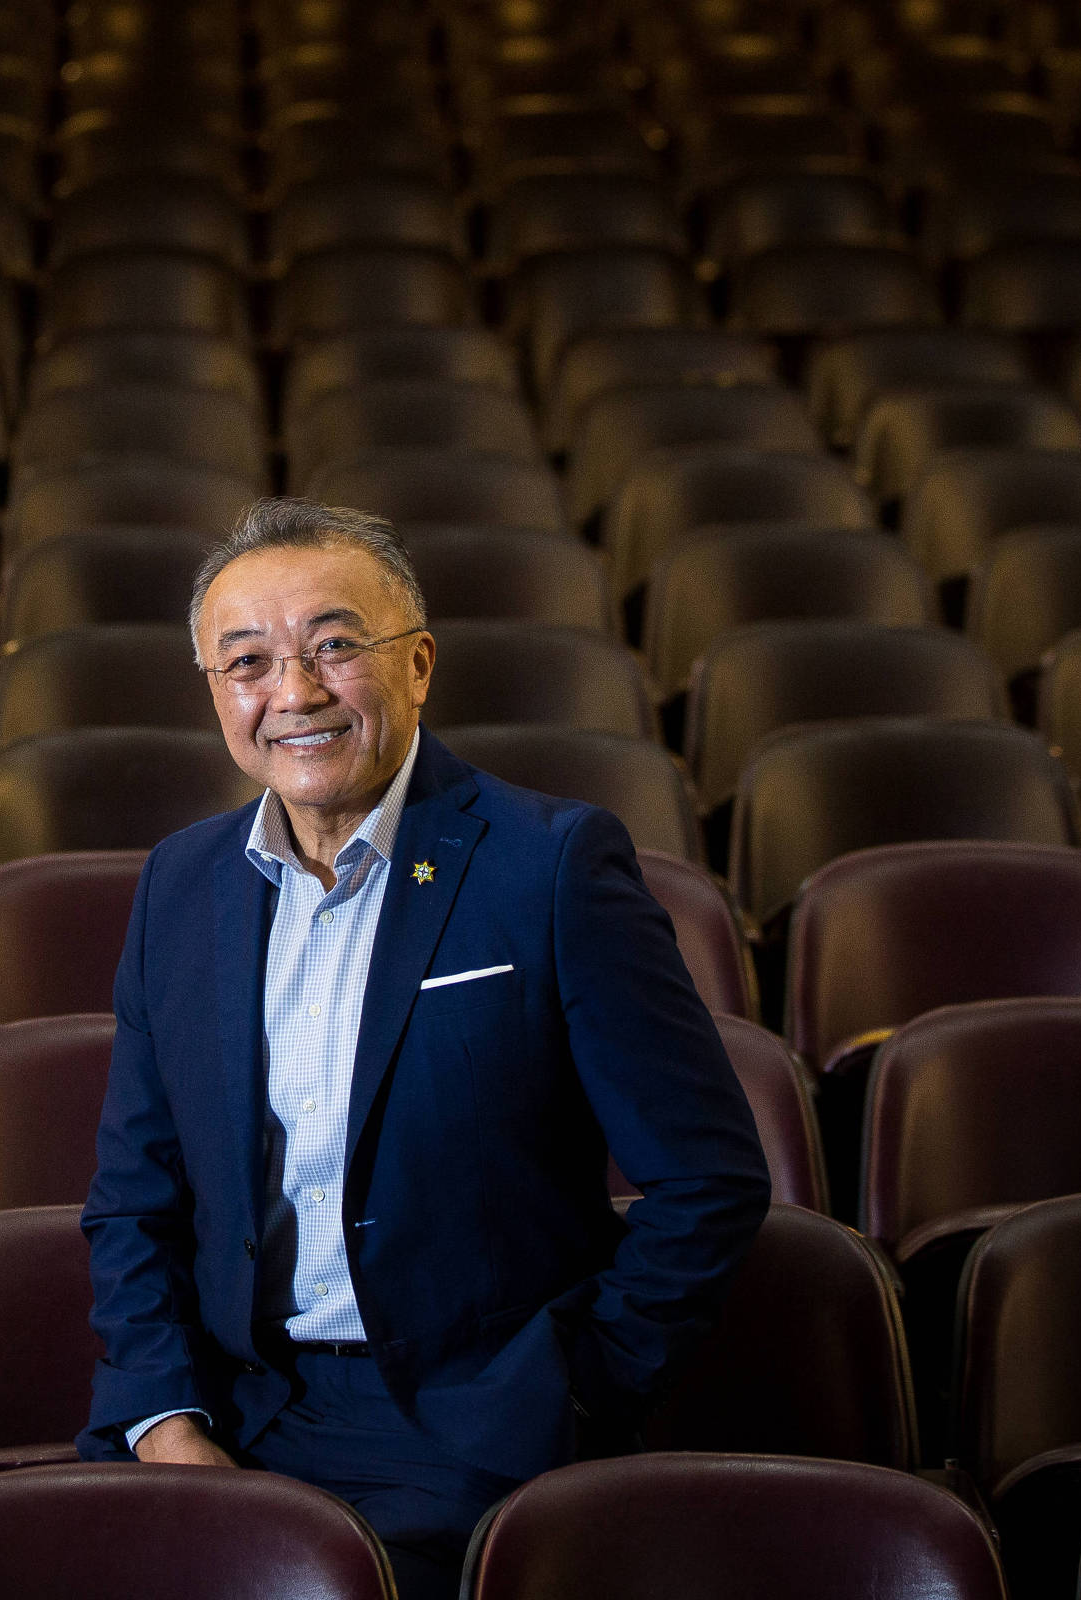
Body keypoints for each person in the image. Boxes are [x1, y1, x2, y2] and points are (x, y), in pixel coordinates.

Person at [79, 498, 770, 1598]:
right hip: (228, 1410)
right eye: (247, 661)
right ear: (214, 690)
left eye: (335, 646)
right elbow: (132, 1198)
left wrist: (573, 1390)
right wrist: (166, 1422)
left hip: (468, 1431)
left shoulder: (550, 866)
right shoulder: (180, 882)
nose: (294, 693)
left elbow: (710, 1178)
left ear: (419, 664)